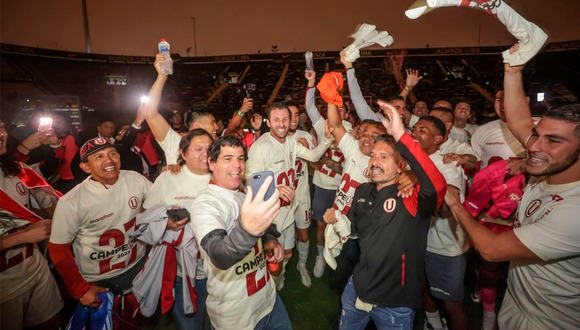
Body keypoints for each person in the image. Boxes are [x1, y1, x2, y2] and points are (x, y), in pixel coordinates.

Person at [444, 51, 580, 329]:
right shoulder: (548, 172)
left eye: (552, 140)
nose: (534, 146)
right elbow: (518, 121)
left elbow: (491, 249)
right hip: (518, 306)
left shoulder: (574, 210)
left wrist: (456, 204)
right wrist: (513, 67)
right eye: (537, 135)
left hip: (550, 322)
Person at [339, 102, 446, 329]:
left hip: (395, 302)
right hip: (357, 289)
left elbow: (437, 186)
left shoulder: (409, 195)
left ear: (401, 166)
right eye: (373, 156)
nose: (375, 162)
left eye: (384, 157)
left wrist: (399, 134)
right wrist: (335, 220)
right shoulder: (362, 190)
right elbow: (353, 230)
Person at [190, 135, 292, 330]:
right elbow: (219, 254)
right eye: (228, 158)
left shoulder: (243, 192)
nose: (237, 165)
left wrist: (270, 241)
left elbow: (265, 227)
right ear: (211, 163)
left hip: (269, 301)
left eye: (241, 158)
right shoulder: (206, 204)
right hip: (236, 317)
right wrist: (249, 230)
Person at [48, 137, 152, 328]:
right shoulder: (71, 202)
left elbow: (156, 204)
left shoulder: (135, 179)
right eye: (99, 157)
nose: (109, 160)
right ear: (86, 167)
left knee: (137, 321)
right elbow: (58, 248)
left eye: (113, 153)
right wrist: (80, 288)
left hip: (138, 266)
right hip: (99, 279)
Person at [245, 102, 333, 291]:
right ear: (268, 122)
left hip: (289, 210)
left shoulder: (292, 143)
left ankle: (283, 276)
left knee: (287, 252)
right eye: (276, 119)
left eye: (285, 119)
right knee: (273, 257)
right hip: (271, 215)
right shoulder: (261, 147)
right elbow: (249, 182)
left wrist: (326, 140)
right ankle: (272, 287)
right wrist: (275, 188)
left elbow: (312, 156)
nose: (282, 123)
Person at [141, 128, 213, 329]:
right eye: (198, 148)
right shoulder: (168, 179)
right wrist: (166, 225)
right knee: (190, 325)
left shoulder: (224, 175)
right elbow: (146, 218)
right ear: (183, 153)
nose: (206, 153)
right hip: (183, 274)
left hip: (220, 271)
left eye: (209, 148)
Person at [0, 120, 63, 330]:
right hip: (5, 286)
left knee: (52, 322)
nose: (1, 134)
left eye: (1, 127)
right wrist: (20, 237)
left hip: (36, 267)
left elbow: (53, 203)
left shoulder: (16, 170)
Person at [410, 116, 469, 330]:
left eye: (422, 130)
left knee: (451, 304)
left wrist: (420, 184)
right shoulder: (409, 160)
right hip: (418, 242)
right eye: (414, 129)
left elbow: (447, 210)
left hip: (444, 246)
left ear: (438, 139)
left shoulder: (448, 163)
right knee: (422, 287)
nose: (415, 133)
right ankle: (434, 323)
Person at [143, 53, 219, 164]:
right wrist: (162, 76)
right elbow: (150, 113)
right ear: (198, 126)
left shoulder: (218, 149)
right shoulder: (176, 143)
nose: (217, 127)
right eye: (212, 123)